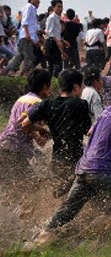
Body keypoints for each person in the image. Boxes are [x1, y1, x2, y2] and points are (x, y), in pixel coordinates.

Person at [22, 74, 111, 252]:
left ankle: (35, 241)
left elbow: (95, 130)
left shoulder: (110, 109)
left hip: (83, 169)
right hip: (100, 171)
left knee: (67, 211)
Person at [21, 69, 91, 198]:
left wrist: (42, 130)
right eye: (81, 87)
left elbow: (25, 123)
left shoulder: (47, 103)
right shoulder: (80, 104)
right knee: (82, 194)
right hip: (76, 159)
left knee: (58, 194)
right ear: (76, 87)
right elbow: (88, 131)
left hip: (57, 158)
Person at [0, 68, 51, 185]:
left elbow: (24, 126)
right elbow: (22, 122)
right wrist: (41, 130)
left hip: (5, 144)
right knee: (30, 186)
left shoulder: (21, 99)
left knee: (10, 187)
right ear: (44, 86)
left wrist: (36, 136)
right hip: (14, 149)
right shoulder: (37, 103)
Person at [2, 0, 41, 76]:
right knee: (29, 56)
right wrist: (27, 34)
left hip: (28, 36)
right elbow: (25, 22)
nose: (38, 0)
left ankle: (7, 71)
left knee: (20, 56)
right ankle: (25, 73)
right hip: (26, 36)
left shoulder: (32, 9)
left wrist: (35, 40)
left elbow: (33, 27)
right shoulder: (29, 7)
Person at [44, 0, 69, 77]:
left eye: (61, 7)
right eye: (58, 7)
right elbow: (49, 32)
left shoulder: (57, 18)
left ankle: (52, 83)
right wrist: (58, 41)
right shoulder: (51, 18)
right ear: (53, 7)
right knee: (55, 66)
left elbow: (56, 33)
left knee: (57, 65)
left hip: (55, 42)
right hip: (51, 43)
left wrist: (62, 40)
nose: (60, 9)